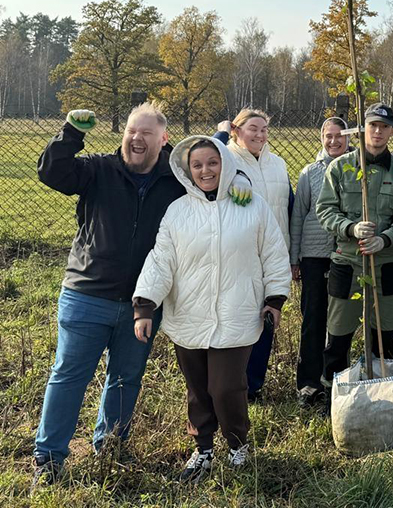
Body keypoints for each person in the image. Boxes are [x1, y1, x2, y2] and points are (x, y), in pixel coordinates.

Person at [31, 104, 188, 487]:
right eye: (132, 131)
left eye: (145, 133)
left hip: (143, 303)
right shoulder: (99, 169)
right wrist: (71, 132)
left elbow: (212, 176)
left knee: (126, 378)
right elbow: (52, 172)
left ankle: (110, 448)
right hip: (87, 294)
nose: (136, 139)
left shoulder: (176, 180)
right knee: (69, 376)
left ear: (162, 139)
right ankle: (48, 459)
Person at [133, 137, 290, 481]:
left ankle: (237, 444)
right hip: (188, 315)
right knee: (198, 388)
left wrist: (275, 298)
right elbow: (162, 260)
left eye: (212, 163)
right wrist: (145, 304)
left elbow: (274, 253)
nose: (206, 171)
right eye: (198, 165)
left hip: (239, 313)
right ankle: (202, 449)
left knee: (226, 388)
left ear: (225, 164)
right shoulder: (178, 211)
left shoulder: (252, 206)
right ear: (188, 170)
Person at [316, 103, 393, 391]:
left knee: (385, 333)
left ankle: (381, 390)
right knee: (338, 333)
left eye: (384, 126)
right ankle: (334, 394)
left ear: (392, 131)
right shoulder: (340, 168)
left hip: (386, 264)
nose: (377, 131)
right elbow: (325, 210)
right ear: (363, 129)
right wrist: (350, 228)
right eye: (372, 125)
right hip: (346, 263)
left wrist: (384, 239)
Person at [214, 109, 294, 401]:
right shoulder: (226, 160)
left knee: (267, 318)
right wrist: (221, 133)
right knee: (238, 319)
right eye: (252, 129)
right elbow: (200, 155)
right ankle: (232, 384)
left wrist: (291, 256)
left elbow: (289, 209)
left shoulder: (278, 164)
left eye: (263, 129)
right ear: (237, 130)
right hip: (238, 256)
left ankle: (253, 386)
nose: (259, 135)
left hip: (273, 255)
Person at [289, 117, 350, 407]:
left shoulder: (356, 171)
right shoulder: (309, 173)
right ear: (321, 138)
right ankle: (309, 384)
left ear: (349, 139)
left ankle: (336, 378)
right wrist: (294, 258)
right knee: (313, 319)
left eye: (339, 136)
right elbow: (298, 215)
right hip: (313, 257)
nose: (334, 141)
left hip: (345, 256)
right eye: (329, 136)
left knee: (340, 322)